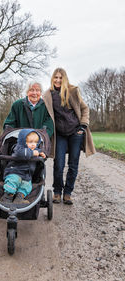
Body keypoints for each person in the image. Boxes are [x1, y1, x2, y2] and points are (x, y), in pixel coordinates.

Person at [43, 68, 96, 205]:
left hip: (75, 133)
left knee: (73, 165)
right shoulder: (48, 95)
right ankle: (56, 192)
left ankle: (67, 193)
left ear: (64, 78)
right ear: (52, 78)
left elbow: (85, 108)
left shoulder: (72, 91)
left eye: (61, 78)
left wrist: (83, 126)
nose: (58, 80)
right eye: (56, 77)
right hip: (60, 134)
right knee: (58, 164)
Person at [1, 129, 46, 204]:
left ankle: (19, 198)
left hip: (26, 175)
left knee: (27, 186)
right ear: (23, 141)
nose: (33, 144)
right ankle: (7, 196)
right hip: (14, 172)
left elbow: (37, 151)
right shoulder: (18, 148)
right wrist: (32, 153)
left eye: (35, 142)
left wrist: (40, 153)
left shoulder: (35, 149)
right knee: (13, 181)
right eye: (30, 142)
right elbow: (20, 154)